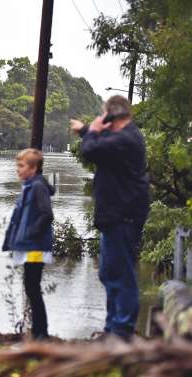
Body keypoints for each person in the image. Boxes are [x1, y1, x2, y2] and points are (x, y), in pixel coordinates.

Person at [70, 95, 150, 341]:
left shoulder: (126, 139)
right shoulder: (123, 138)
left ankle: (122, 330)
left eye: (104, 115)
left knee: (121, 273)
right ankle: (112, 327)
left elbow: (92, 150)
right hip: (116, 213)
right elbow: (102, 145)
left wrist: (92, 130)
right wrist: (87, 130)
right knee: (108, 271)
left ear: (110, 117)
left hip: (122, 214)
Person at [3, 148, 55, 340]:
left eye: (21, 166)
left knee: (32, 287)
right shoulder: (29, 186)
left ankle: (42, 333)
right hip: (30, 245)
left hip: (36, 247)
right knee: (31, 287)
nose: (18, 169)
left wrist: (32, 234)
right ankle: (39, 331)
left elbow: (46, 214)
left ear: (33, 168)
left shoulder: (38, 187)